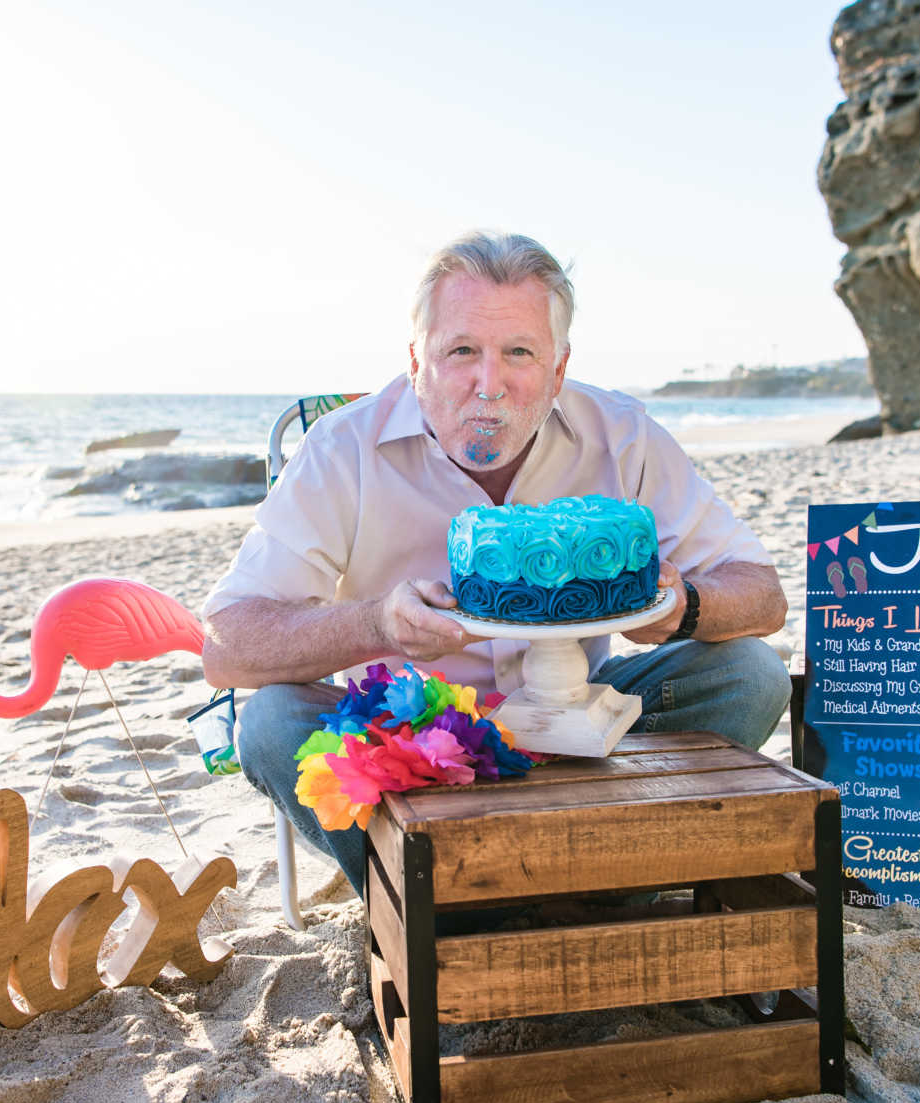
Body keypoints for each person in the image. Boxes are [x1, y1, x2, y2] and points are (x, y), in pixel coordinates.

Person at [202, 231, 790, 896]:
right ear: (415, 360)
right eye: (461, 352)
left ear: (559, 369)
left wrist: (685, 608)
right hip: (410, 751)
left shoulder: (621, 434)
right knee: (271, 722)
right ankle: (422, 902)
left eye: (519, 353)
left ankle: (613, 882)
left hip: (587, 727)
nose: (490, 385)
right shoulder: (343, 450)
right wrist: (379, 625)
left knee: (751, 673)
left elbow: (762, 593)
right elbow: (226, 646)